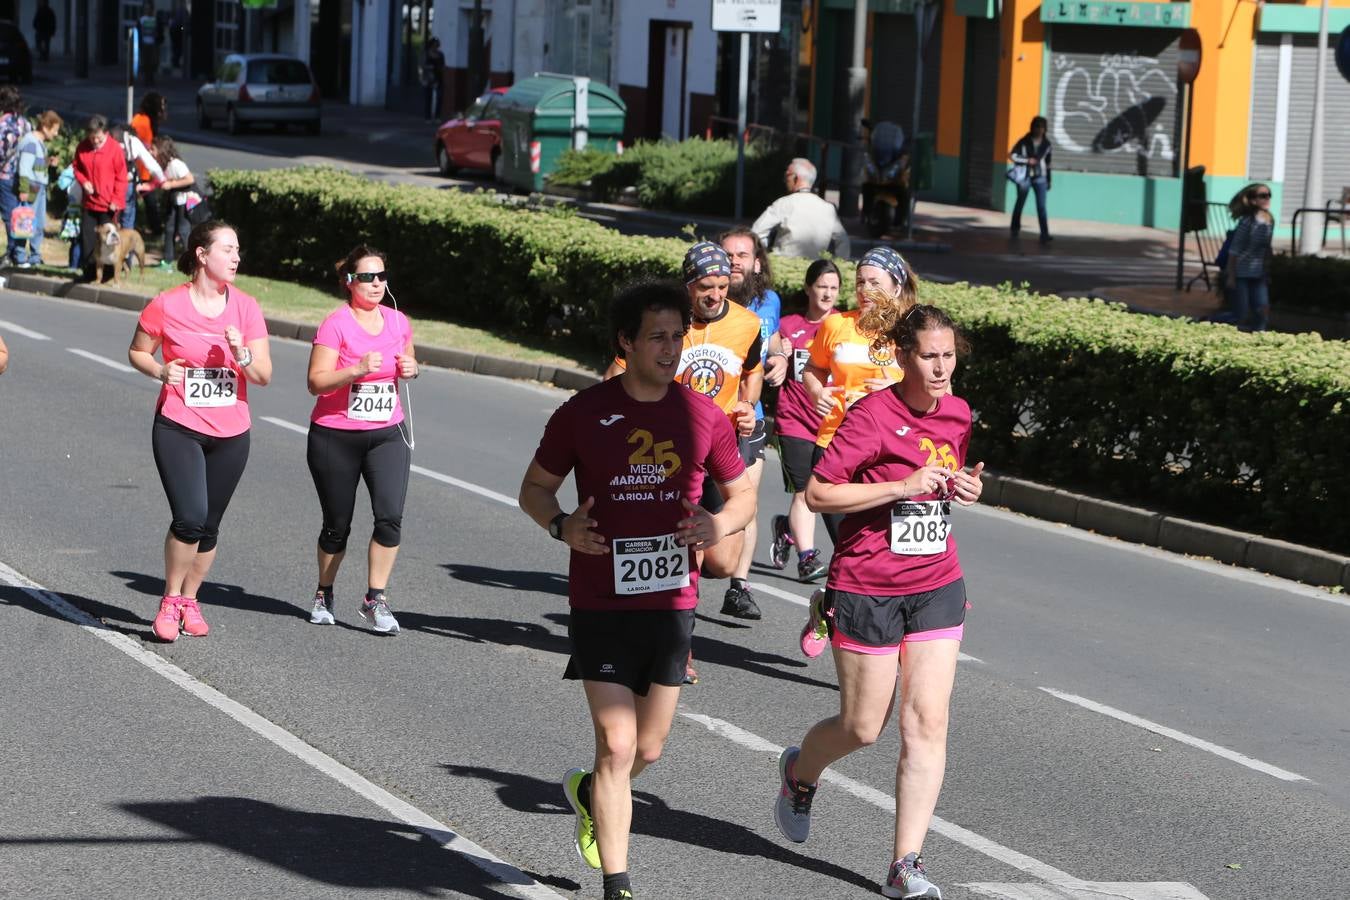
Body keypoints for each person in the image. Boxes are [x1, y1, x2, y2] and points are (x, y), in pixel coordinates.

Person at [519, 280, 754, 900]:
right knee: (618, 741)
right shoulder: (583, 412)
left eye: (678, 337)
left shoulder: (702, 415)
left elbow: (745, 494)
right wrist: (560, 525)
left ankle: (592, 793)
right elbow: (534, 488)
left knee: (646, 745)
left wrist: (717, 523)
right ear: (626, 342)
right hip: (599, 598)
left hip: (671, 602)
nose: (672, 348)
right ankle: (617, 885)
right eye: (657, 337)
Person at [774, 304, 985, 900]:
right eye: (929, 356)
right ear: (901, 357)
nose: (941, 368)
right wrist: (900, 486)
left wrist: (963, 485)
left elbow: (949, 473)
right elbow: (816, 493)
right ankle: (798, 773)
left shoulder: (959, 412)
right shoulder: (872, 416)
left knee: (926, 724)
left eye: (948, 356)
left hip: (936, 582)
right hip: (868, 585)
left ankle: (905, 864)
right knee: (864, 727)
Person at [127, 221, 272, 642]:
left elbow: (263, 375)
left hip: (231, 433)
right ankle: (170, 599)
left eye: (238, 249)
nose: (237, 257)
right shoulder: (167, 304)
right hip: (179, 426)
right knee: (188, 518)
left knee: (209, 525)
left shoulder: (246, 307)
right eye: (228, 249)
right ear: (202, 255)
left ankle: (191, 599)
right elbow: (138, 350)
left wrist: (240, 352)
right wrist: (159, 369)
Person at [304, 245, 418, 633]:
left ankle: (376, 598)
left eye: (382, 276)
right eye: (367, 277)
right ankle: (324, 591)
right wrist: (354, 370)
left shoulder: (399, 321)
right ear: (349, 281)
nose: (376, 284)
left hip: (388, 433)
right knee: (337, 524)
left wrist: (411, 368)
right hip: (336, 435)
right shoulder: (335, 324)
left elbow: (407, 364)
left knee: (390, 518)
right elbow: (315, 382)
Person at [801, 246, 916, 548]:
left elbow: (940, 390)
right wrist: (816, 391)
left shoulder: (912, 333)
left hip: (893, 454)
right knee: (849, 547)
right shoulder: (836, 325)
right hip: (836, 445)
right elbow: (813, 368)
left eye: (875, 283)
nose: (865, 290)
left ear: (897, 286)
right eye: (860, 282)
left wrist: (894, 392)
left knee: (884, 552)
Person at [718, 227, 779, 620]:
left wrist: (784, 356)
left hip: (748, 420)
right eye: (729, 255)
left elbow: (775, 341)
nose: (736, 261)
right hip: (705, 418)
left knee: (747, 503)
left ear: (757, 262)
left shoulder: (769, 301)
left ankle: (738, 586)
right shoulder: (704, 301)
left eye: (743, 255)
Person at [766, 259, 840, 583]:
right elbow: (771, 360)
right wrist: (777, 354)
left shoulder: (844, 326)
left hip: (832, 424)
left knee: (825, 492)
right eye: (822, 286)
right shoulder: (787, 326)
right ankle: (807, 558)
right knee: (803, 491)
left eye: (834, 288)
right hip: (793, 421)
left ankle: (786, 527)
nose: (827, 294)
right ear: (809, 288)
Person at [751, 158, 851, 259]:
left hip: (783, 268)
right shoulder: (828, 208)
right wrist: (836, 266)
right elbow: (843, 241)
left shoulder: (784, 203)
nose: (785, 180)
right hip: (816, 271)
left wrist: (764, 258)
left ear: (796, 178)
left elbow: (757, 231)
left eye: (787, 175)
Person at [72, 115, 128, 282]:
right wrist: (84, 182)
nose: (95, 141)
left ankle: (110, 274)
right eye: (92, 137)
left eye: (98, 137)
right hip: (90, 202)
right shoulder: (83, 147)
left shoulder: (115, 149)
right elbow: (76, 167)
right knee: (88, 238)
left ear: (105, 133)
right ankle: (89, 273)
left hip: (108, 204)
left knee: (110, 241)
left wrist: (116, 200)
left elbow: (121, 176)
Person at [12, 110, 62, 268]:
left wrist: (48, 162)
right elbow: (25, 168)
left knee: (38, 223)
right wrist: (24, 190)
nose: (56, 134)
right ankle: (20, 257)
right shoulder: (31, 142)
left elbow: (35, 164)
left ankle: (35, 256)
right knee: (25, 221)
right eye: (55, 130)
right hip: (31, 187)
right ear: (46, 127)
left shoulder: (38, 144)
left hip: (38, 186)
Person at [1225, 183, 1274, 332]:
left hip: (1258, 274)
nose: (1267, 199)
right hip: (1241, 274)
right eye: (1263, 196)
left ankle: (1259, 340)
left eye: (1268, 195)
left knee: (1262, 312)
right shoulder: (1247, 222)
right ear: (1253, 201)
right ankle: (1209, 321)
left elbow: (1267, 248)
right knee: (1240, 315)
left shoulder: (1269, 220)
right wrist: (1231, 277)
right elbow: (1234, 250)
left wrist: (1267, 271)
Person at [153, 135, 198, 269]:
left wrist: (171, 185)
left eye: (153, 149)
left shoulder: (175, 164)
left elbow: (190, 179)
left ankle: (192, 263)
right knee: (169, 229)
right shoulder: (164, 165)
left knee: (184, 231)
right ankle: (167, 262)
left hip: (184, 202)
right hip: (174, 201)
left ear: (162, 150)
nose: (151, 152)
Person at [111, 122, 165, 232]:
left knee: (112, 218)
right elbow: (150, 163)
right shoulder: (132, 141)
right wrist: (162, 179)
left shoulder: (109, 139)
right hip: (127, 183)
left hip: (111, 184)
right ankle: (127, 245)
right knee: (128, 217)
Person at [1008, 115, 1053, 244]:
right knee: (1020, 202)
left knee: (1041, 206)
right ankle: (1015, 228)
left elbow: (1049, 163)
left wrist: (1049, 179)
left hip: (1041, 178)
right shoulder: (1024, 141)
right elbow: (1012, 155)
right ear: (1032, 127)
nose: (1039, 129)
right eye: (1036, 126)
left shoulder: (1047, 144)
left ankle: (1045, 234)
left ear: (1045, 129)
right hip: (1025, 177)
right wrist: (1027, 160)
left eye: (1041, 127)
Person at [0, 86, 32, 266]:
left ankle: (13, 254)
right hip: (24, 176)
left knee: (9, 216)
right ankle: (19, 252)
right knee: (21, 215)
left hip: (5, 176)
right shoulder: (25, 124)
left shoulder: (2, 125)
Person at [132, 93, 167, 234]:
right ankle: (155, 228)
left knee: (148, 199)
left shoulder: (149, 120)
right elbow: (142, 146)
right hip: (140, 167)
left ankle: (154, 227)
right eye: (161, 105)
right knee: (147, 199)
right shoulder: (142, 121)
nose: (163, 108)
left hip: (144, 167)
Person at [421, 38, 446, 121]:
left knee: (439, 97)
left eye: (437, 45)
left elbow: (443, 66)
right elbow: (423, 65)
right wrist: (430, 68)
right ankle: (427, 116)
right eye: (435, 45)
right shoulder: (426, 54)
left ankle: (437, 116)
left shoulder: (440, 54)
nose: (436, 47)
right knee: (428, 97)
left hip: (439, 77)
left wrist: (441, 70)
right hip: (429, 78)